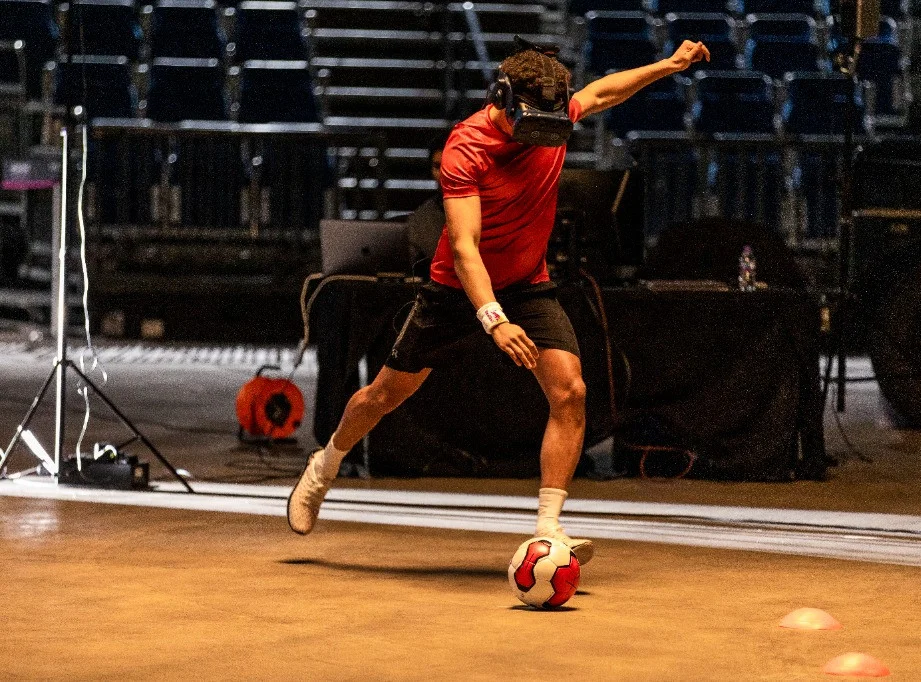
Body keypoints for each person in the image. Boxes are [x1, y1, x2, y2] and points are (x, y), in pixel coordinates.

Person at [289, 37, 712, 564]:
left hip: (527, 282)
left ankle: (547, 530)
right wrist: (492, 319)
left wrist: (669, 65)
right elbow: (465, 248)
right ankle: (323, 468)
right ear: (503, 99)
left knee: (571, 391)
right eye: (532, 123)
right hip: (455, 291)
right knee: (382, 397)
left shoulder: (553, 114)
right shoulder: (466, 147)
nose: (543, 136)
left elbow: (602, 93)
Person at [404, 139, 447, 279]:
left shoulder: (489, 208)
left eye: (449, 165)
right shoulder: (421, 219)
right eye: (437, 166)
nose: (443, 173)